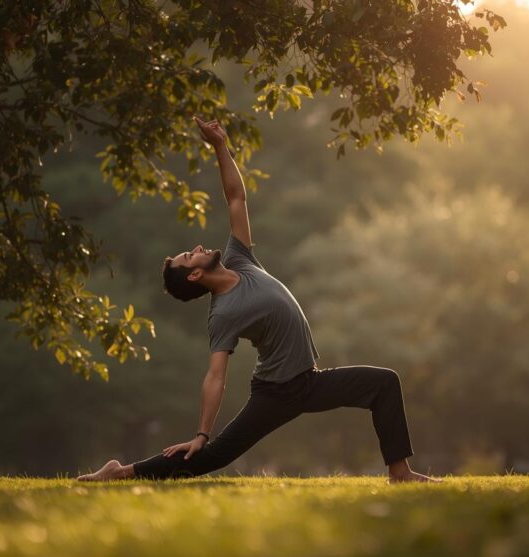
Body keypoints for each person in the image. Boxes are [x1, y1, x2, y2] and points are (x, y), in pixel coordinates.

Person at [76, 116, 440, 483]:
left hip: (309, 381)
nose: (197, 247)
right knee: (210, 456)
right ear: (195, 275)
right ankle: (120, 472)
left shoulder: (239, 259)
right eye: (190, 255)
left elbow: (236, 196)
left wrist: (220, 146)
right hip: (277, 391)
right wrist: (201, 433)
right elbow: (216, 376)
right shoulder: (223, 314)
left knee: (384, 383)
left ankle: (399, 471)